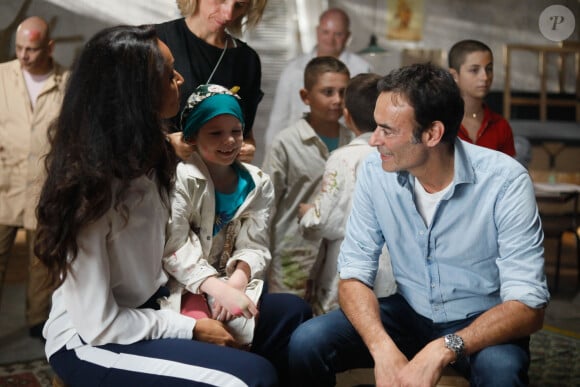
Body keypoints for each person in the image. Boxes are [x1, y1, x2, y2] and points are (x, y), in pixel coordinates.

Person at [34, 24, 297, 387]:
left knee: (291, 315)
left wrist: (224, 283)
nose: (180, 78)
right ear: (133, 90)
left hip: (157, 304)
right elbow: (101, 325)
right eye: (167, 72)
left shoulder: (151, 153)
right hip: (93, 339)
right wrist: (192, 328)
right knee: (250, 378)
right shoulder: (91, 191)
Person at [288, 63, 550, 386]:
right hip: (409, 313)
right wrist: (382, 348)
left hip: (480, 318)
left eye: (387, 130)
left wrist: (444, 348)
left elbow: (528, 307)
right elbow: (354, 275)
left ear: (432, 134)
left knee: (501, 372)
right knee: (306, 342)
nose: (374, 141)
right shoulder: (375, 172)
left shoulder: (506, 181)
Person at [162, 83, 312, 377]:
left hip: (231, 283)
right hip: (187, 285)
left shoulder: (256, 182)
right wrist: (216, 289)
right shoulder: (181, 179)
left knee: (294, 310)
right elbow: (175, 247)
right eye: (215, 133)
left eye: (236, 131)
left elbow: (255, 244)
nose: (229, 141)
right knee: (208, 341)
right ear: (192, 136)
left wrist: (237, 281)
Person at [297, 73, 396, 315]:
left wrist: (307, 215)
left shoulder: (343, 157)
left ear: (347, 115)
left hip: (349, 262)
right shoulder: (399, 154)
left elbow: (325, 221)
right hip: (392, 265)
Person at [0, 16, 69, 339]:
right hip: (3, 184)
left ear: (49, 47)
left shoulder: (67, 84)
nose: (23, 55)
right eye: (19, 48)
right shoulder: (1, 76)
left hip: (44, 189)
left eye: (31, 49)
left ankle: (38, 325)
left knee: (43, 261)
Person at [262, 56, 352, 297]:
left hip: (338, 257)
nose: (337, 100)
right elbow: (266, 205)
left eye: (343, 92)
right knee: (289, 319)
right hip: (293, 254)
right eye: (328, 92)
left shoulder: (353, 142)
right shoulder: (287, 143)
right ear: (305, 96)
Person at [156, 0, 267, 163]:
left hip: (212, 181)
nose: (228, 14)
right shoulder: (157, 41)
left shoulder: (247, 60)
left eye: (239, 5)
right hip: (159, 176)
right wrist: (166, 142)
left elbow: (245, 133)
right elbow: (125, 121)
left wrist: (246, 148)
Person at [264, 7, 372, 149]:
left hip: (344, 149)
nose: (330, 39)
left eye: (338, 34)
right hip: (297, 150)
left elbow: (366, 120)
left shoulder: (362, 69)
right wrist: (272, 154)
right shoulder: (292, 69)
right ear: (317, 31)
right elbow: (278, 119)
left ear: (347, 36)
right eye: (325, 32)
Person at [448, 39, 522, 160]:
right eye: (474, 70)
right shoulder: (440, 123)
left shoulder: (500, 126)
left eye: (489, 69)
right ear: (454, 75)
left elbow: (508, 174)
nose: (485, 77)